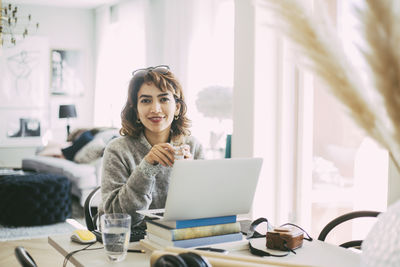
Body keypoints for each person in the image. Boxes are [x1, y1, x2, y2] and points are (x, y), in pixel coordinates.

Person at [99, 65, 204, 227]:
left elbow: (203, 210)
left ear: (177, 107)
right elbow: (115, 219)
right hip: (134, 242)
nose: (155, 109)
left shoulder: (193, 146)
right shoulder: (117, 150)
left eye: (163, 99)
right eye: (146, 101)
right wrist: (146, 168)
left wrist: (189, 177)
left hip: (180, 239)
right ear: (136, 109)